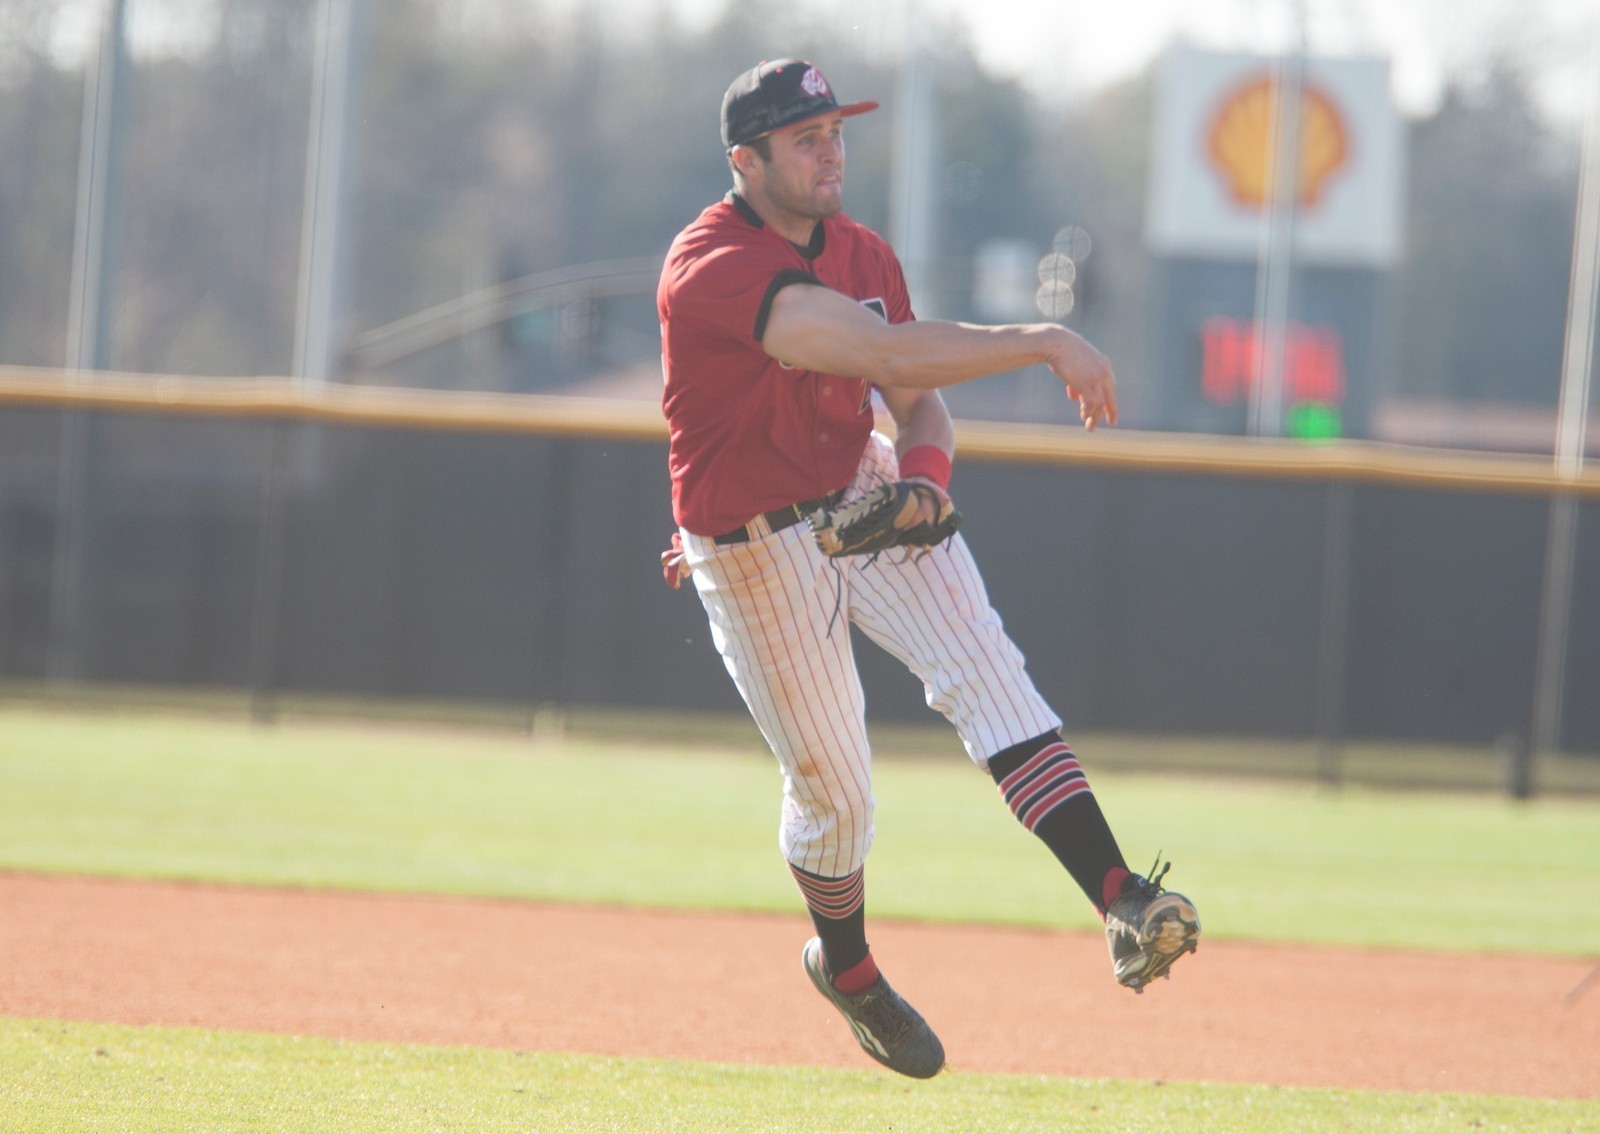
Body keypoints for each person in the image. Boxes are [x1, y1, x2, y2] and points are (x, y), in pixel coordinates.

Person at [656, 58, 1199, 1080]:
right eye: (805, 138)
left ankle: (1123, 898)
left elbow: (912, 404)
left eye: (835, 131)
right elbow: (890, 356)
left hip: (856, 483)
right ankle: (847, 970)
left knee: (989, 676)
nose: (831, 152)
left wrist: (927, 476)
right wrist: (1039, 338)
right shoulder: (711, 263)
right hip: (753, 544)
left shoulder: (860, 249)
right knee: (839, 798)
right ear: (747, 160)